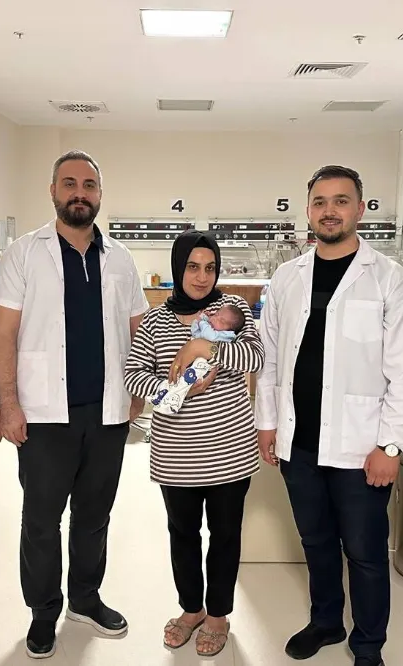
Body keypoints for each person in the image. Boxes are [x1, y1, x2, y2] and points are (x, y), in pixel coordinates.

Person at [255, 165, 403, 666]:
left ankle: (368, 645)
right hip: (299, 442)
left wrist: (391, 446)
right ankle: (327, 621)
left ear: (360, 209)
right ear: (308, 211)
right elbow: (270, 359)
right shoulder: (287, 278)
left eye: (341, 201)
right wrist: (268, 423)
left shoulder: (388, 279)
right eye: (320, 202)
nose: (330, 211)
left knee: (367, 554)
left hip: (362, 448)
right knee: (316, 541)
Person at [0, 149, 148, 660]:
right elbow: (2, 335)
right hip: (44, 414)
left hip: (107, 412)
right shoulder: (23, 253)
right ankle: (43, 611)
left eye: (89, 185)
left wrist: (137, 390)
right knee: (41, 518)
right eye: (70, 183)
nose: (80, 192)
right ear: (53, 191)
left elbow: (137, 328)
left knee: (94, 514)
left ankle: (85, 598)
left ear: (99, 194)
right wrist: (8, 404)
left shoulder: (120, 258)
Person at [123, 230, 263, 658]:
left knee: (225, 536)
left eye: (210, 268)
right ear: (177, 267)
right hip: (176, 456)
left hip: (229, 451)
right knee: (182, 535)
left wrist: (207, 348)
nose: (202, 277)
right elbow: (133, 374)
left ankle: (218, 615)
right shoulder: (155, 321)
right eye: (192, 267)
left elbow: (255, 356)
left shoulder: (232, 309)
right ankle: (191, 609)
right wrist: (174, 392)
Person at [149, 303, 247, 414]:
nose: (215, 318)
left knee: (184, 382)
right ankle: (161, 395)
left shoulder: (226, 335)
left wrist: (202, 322)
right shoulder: (154, 317)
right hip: (194, 362)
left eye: (222, 321)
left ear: (230, 329)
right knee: (177, 380)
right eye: (217, 314)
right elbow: (195, 332)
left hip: (203, 365)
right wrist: (201, 319)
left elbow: (208, 335)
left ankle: (173, 402)